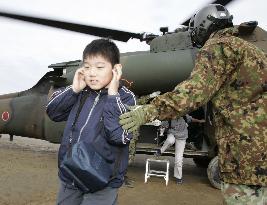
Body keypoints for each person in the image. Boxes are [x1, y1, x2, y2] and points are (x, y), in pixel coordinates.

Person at [120, 4, 267, 204]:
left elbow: (192, 94)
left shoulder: (219, 46)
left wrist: (147, 111)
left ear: (202, 28)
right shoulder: (251, 51)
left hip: (245, 156)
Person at [46, 38, 136, 205]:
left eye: (100, 67)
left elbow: (119, 136)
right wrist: (73, 90)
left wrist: (112, 95)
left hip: (103, 181)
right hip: (71, 173)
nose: (92, 73)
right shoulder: (79, 91)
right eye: (87, 67)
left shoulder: (125, 98)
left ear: (116, 69)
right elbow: (53, 113)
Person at [155, 115, 205, 184]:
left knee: (179, 159)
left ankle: (178, 177)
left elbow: (192, 119)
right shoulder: (169, 118)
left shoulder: (184, 117)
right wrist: (161, 128)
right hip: (172, 134)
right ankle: (160, 151)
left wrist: (200, 121)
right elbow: (162, 125)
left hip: (182, 138)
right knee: (170, 140)